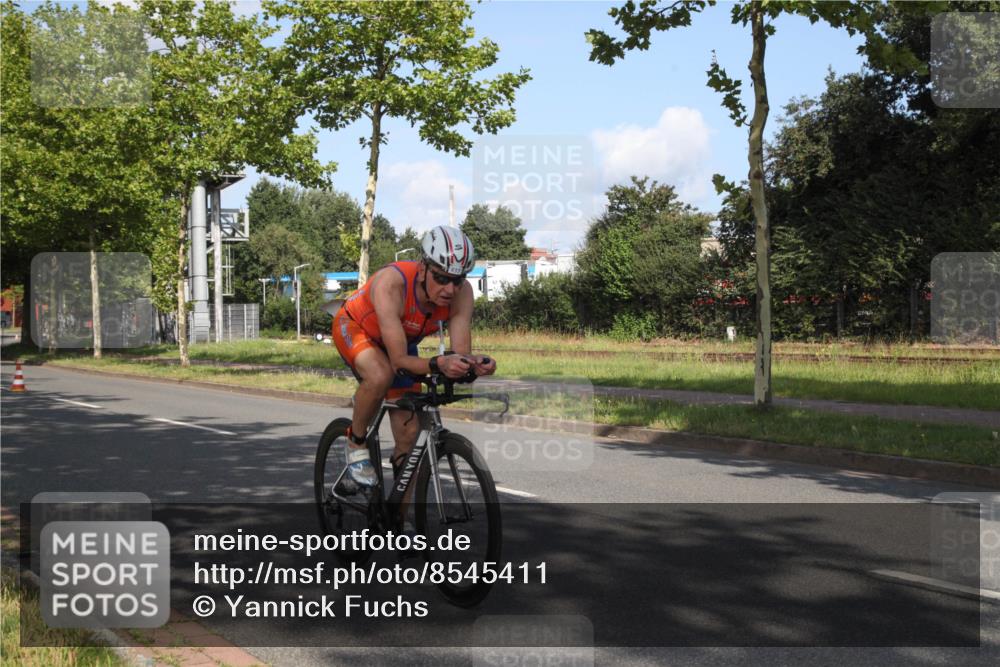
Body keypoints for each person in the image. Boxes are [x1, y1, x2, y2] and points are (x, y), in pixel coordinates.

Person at [331, 225, 497, 490]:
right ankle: (356, 442)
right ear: (422, 269)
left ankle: (399, 514)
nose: (450, 289)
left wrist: (472, 365)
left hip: (399, 340)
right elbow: (398, 362)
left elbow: (459, 353)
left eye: (458, 280)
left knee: (409, 436)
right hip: (355, 327)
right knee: (380, 375)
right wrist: (438, 363)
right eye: (441, 278)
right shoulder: (391, 284)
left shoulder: (462, 293)